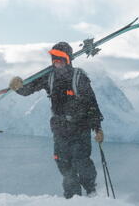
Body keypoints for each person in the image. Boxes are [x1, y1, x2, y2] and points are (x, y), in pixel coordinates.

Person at [9, 42, 104, 198]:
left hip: (80, 127)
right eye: (54, 59)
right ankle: (72, 197)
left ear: (68, 60)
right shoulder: (49, 77)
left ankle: (91, 190)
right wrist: (18, 86)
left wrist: (98, 128)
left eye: (60, 59)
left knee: (81, 161)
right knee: (63, 163)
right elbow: (29, 89)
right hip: (60, 129)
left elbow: (91, 104)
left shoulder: (79, 78)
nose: (56, 62)